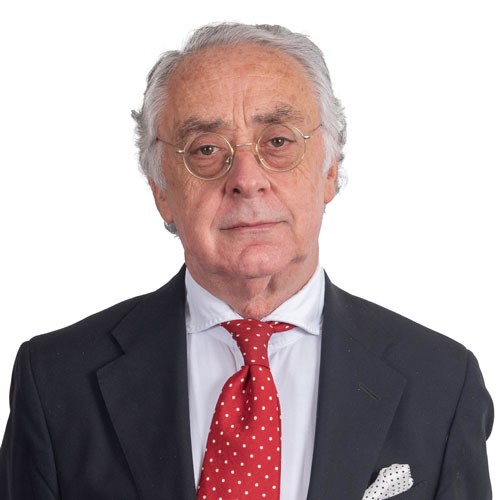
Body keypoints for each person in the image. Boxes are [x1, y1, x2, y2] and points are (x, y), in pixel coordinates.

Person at [0, 22, 493, 500]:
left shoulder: (443, 382)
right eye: (206, 149)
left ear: (329, 170)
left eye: (278, 141)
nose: (246, 180)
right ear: (161, 190)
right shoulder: (55, 379)